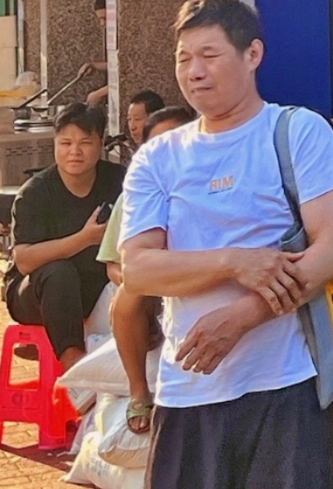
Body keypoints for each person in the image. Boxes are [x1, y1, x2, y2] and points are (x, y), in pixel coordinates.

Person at [120, 0, 333, 489]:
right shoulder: (157, 157)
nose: (194, 72)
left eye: (209, 55)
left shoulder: (297, 132)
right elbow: (137, 268)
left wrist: (242, 318)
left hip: (286, 384)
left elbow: (332, 249)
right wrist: (232, 262)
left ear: (253, 55)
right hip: (188, 391)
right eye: (184, 58)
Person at [100, 104, 198, 435]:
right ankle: (139, 390)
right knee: (128, 297)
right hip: (153, 287)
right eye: (158, 144)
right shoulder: (135, 195)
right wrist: (142, 281)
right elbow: (113, 265)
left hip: (202, 280)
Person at [7, 104, 126, 366]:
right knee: (59, 271)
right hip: (37, 292)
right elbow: (24, 261)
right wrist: (84, 238)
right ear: (55, 144)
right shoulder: (35, 193)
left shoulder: (119, 180)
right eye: (66, 143)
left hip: (95, 285)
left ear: (101, 143)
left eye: (85, 142)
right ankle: (74, 366)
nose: (75, 151)